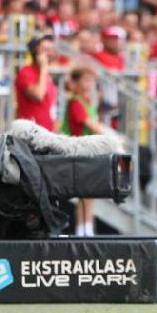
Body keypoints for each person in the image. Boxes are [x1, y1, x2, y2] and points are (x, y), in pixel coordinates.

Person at [63, 67, 108, 237]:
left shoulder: (87, 102)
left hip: (88, 152)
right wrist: (111, 137)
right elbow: (90, 124)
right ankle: (82, 230)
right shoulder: (75, 102)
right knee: (84, 194)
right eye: (85, 80)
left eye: (91, 81)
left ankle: (87, 228)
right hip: (79, 151)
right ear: (76, 83)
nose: (89, 84)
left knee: (89, 194)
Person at [15, 35, 58, 131]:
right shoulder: (25, 72)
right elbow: (38, 95)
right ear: (36, 52)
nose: (51, 53)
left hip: (47, 131)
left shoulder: (47, 74)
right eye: (46, 50)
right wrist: (44, 68)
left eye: (52, 49)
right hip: (30, 132)